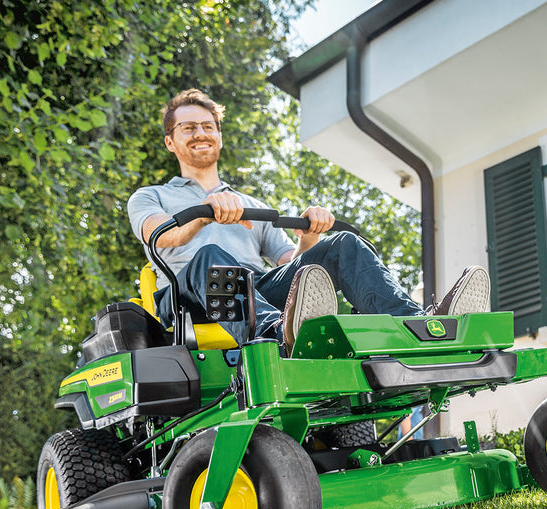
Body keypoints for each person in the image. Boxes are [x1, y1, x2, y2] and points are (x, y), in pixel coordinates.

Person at [127, 88, 490, 351]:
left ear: (219, 136)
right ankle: (276, 335)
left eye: (207, 126)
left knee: (344, 244)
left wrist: (312, 234)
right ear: (170, 142)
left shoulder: (249, 203)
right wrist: (205, 217)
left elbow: (292, 265)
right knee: (211, 258)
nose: (200, 134)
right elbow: (158, 235)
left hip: (254, 293)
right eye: (188, 128)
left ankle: (418, 329)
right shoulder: (151, 196)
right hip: (189, 301)